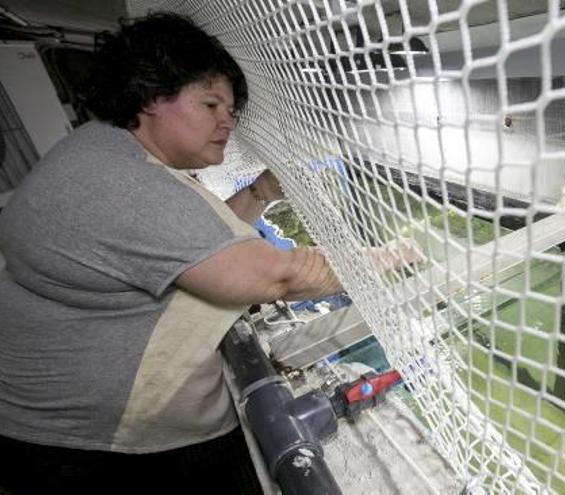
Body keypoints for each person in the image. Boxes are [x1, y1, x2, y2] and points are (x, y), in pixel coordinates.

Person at [0, 12, 353, 494]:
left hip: (45, 423)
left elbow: (186, 245)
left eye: (230, 110)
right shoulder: (126, 183)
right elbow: (279, 278)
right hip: (92, 447)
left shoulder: (98, 153)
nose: (226, 121)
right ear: (149, 97)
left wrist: (261, 191)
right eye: (211, 103)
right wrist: (388, 261)